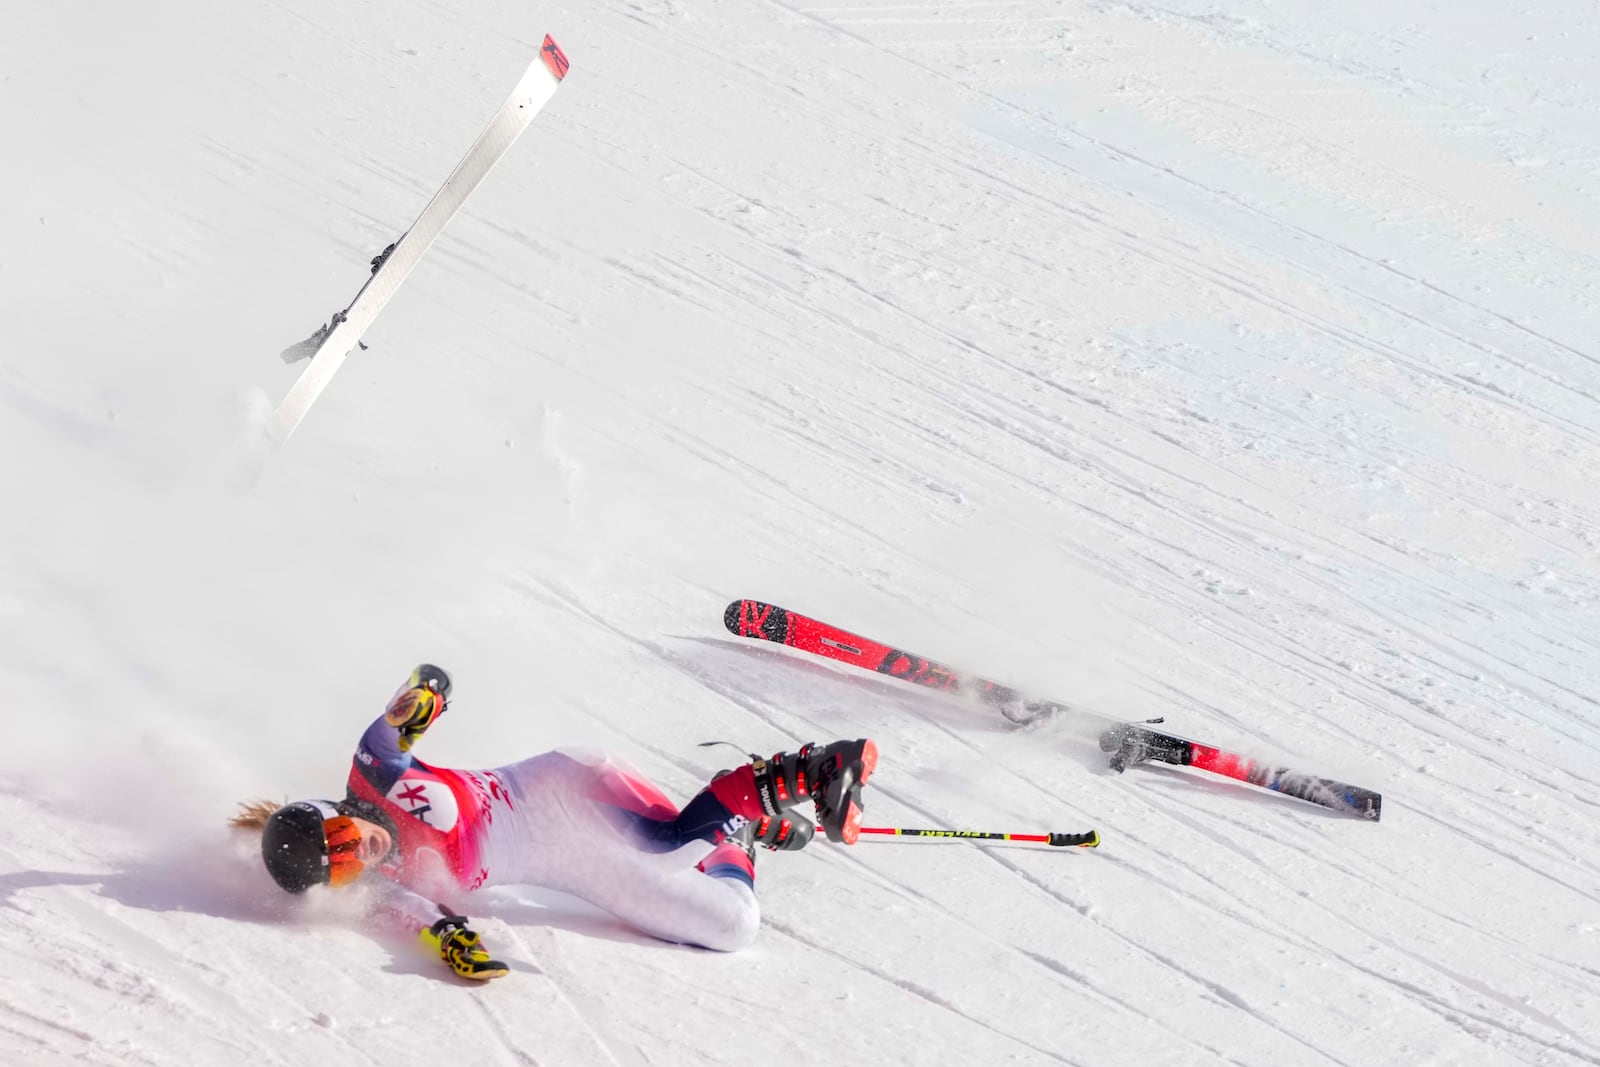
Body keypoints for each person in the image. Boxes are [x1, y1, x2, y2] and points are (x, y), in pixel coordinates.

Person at [232, 664, 877, 980]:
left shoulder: (374, 769)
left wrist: (424, 697)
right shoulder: (379, 886)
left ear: (332, 811)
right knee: (732, 925)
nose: (362, 852)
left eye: (344, 837)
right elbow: (424, 921)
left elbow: (420, 692)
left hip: (562, 790)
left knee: (660, 847)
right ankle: (740, 826)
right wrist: (457, 945)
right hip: (568, 861)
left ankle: (813, 769)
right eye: (346, 865)